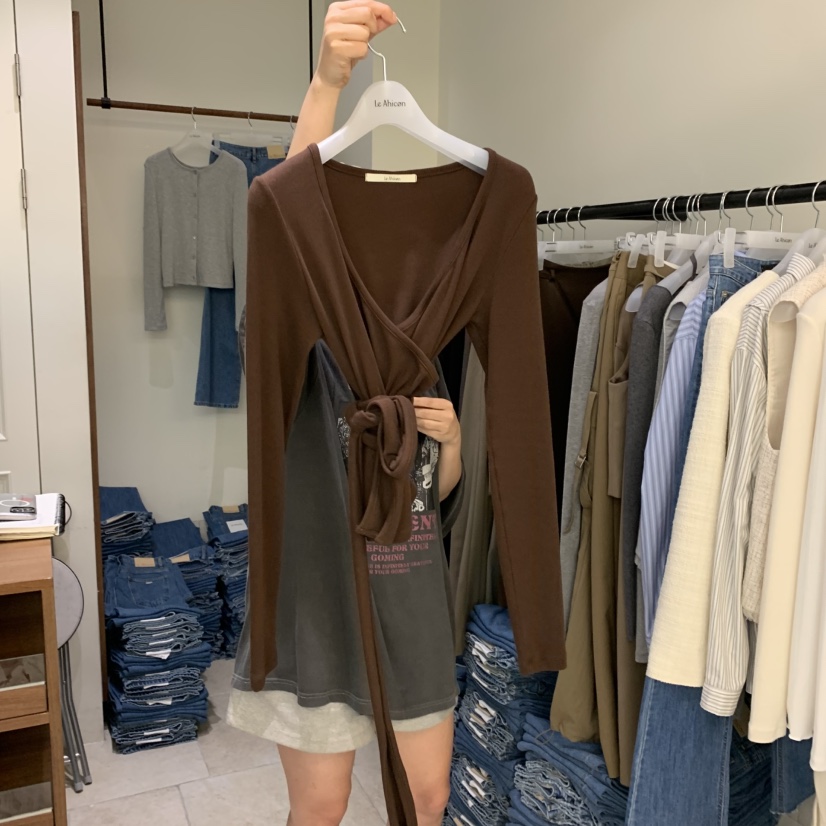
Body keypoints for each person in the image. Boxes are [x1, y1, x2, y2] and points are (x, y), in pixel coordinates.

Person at [251, 4, 462, 825]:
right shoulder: (295, 341)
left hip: (410, 592)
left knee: (428, 798)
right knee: (323, 806)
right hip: (317, 603)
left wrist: (450, 441)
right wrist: (326, 85)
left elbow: (434, 495)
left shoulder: (418, 345)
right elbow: (280, 231)